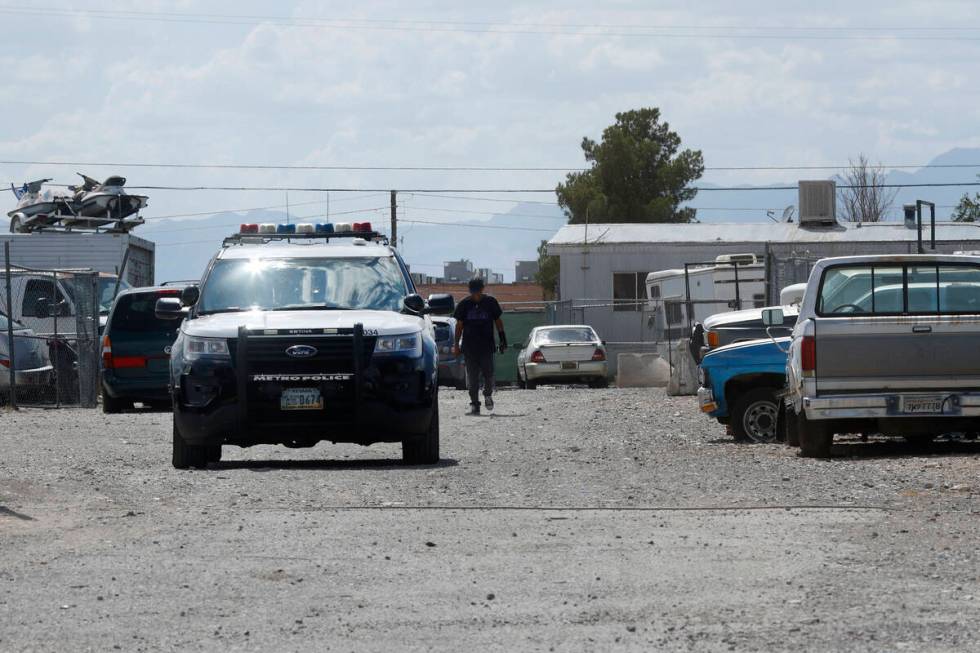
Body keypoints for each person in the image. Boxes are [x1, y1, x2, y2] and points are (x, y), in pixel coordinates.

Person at [452, 278, 507, 415]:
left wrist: (502, 339)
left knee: (488, 374)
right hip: (469, 347)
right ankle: (475, 405)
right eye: (473, 292)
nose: (476, 295)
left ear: (482, 290)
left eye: (478, 292)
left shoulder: (490, 302)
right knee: (472, 378)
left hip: (486, 346)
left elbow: (498, 321)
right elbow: (459, 326)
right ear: (470, 291)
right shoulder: (464, 304)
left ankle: (487, 394)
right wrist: (456, 345)